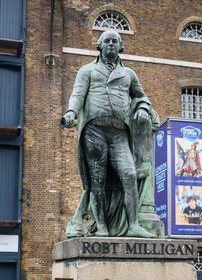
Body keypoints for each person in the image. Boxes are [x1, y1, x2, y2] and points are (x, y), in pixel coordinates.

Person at [61, 30, 155, 238]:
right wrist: (70, 112)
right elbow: (77, 94)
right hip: (94, 130)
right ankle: (101, 227)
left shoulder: (129, 74)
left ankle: (133, 225)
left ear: (121, 46)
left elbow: (141, 96)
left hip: (119, 133)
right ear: (99, 45)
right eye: (107, 41)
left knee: (129, 175)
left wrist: (142, 108)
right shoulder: (87, 70)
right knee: (97, 180)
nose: (111, 44)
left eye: (115, 41)